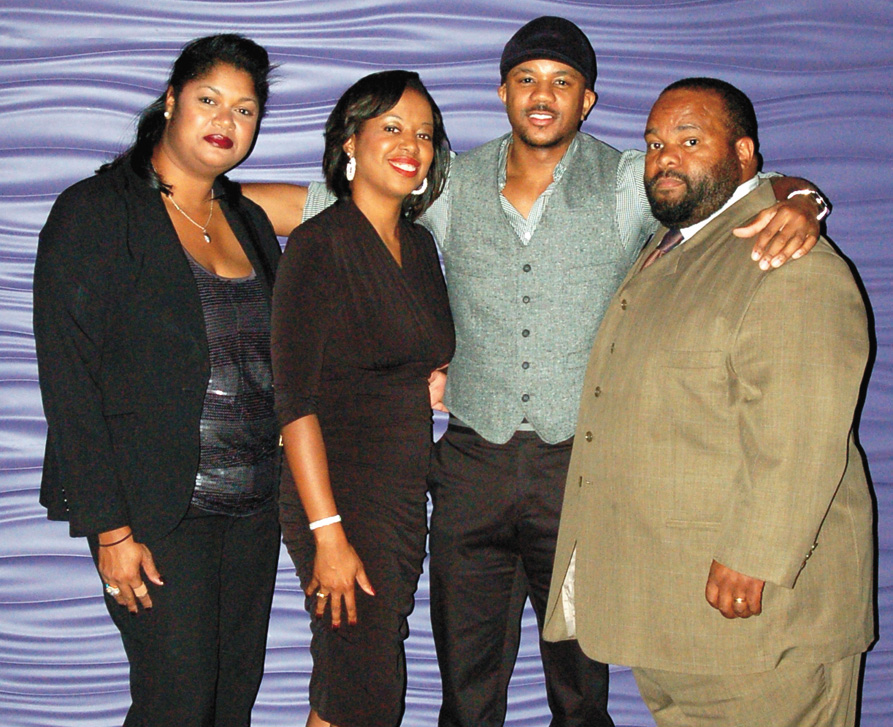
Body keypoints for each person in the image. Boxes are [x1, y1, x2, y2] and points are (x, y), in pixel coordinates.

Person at [244, 17, 827, 727]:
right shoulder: (446, 183)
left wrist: (802, 199)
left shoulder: (628, 181)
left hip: (578, 474)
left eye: (561, 81)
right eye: (526, 79)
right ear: (503, 93)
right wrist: (192, 195)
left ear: (586, 100)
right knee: (465, 692)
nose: (542, 95)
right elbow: (319, 206)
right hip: (468, 471)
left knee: (580, 692)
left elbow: (733, 184)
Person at [543, 77, 874, 727]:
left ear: (744, 155)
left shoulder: (785, 257)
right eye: (654, 143)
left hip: (761, 628)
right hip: (679, 618)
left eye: (690, 140)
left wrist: (754, 555)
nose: (665, 157)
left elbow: (800, 430)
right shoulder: (674, 247)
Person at [33, 35, 282, 727]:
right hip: (157, 512)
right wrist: (111, 531)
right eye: (209, 99)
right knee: (177, 703)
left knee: (232, 699)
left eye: (245, 109)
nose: (226, 120)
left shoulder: (249, 220)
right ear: (171, 101)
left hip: (255, 508)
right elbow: (68, 382)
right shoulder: (97, 210)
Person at [271, 70, 454, 727]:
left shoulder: (420, 245)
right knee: (364, 690)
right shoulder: (319, 244)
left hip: (399, 495)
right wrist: (329, 535)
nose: (412, 145)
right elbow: (293, 400)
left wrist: (437, 377)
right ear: (350, 141)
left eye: (424, 134)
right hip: (340, 493)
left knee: (347, 684)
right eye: (393, 128)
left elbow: (414, 348)